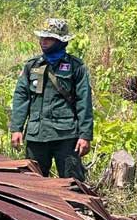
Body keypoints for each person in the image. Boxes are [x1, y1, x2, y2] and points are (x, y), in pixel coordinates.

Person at [10, 18, 92, 181]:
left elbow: (84, 102)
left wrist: (85, 135)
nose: (43, 42)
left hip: (66, 136)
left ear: (61, 41)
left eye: (48, 38)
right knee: (33, 184)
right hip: (37, 135)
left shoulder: (76, 67)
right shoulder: (32, 65)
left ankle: (73, 208)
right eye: (42, 38)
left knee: (72, 184)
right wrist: (16, 128)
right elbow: (21, 97)